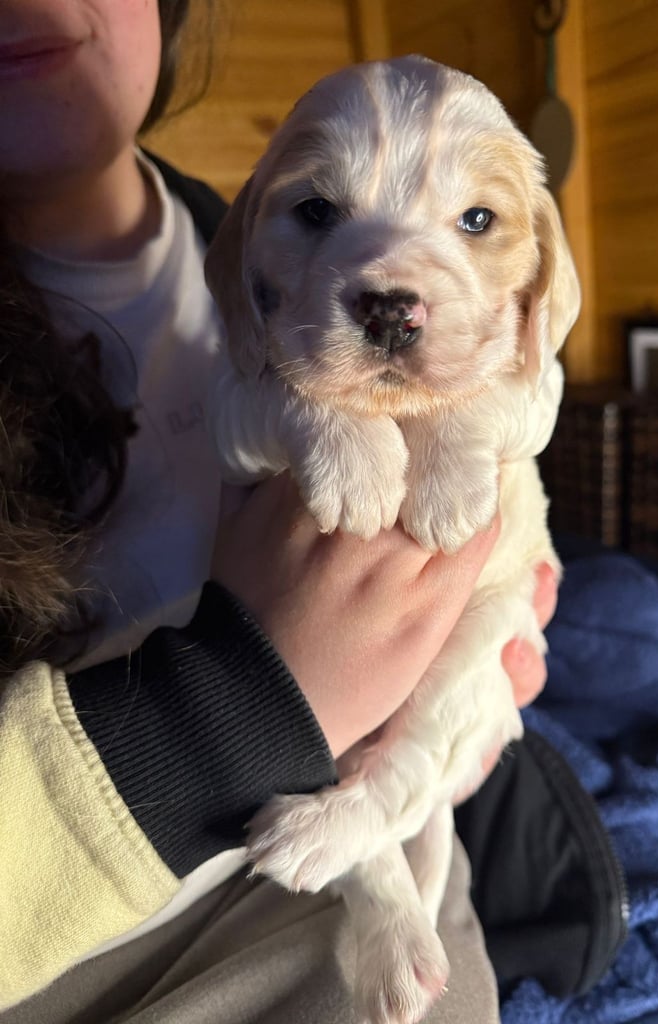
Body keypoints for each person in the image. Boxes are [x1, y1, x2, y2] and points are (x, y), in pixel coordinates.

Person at [0, 2, 564, 1020]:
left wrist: (477, 681)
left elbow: (514, 436)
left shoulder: (245, 232)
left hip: (388, 802)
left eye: (472, 220)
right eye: (320, 211)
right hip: (89, 893)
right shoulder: (266, 258)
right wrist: (231, 710)